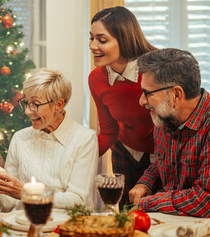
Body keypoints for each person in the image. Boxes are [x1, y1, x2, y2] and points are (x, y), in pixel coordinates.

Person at [0, 68, 99, 211]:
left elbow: (78, 200)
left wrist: (27, 193)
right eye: (26, 103)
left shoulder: (85, 140)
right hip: (23, 225)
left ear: (58, 105)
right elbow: (10, 202)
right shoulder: (20, 138)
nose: (27, 111)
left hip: (66, 228)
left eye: (35, 104)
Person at [88, 6, 157, 207]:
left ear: (125, 39)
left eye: (102, 40)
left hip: (161, 153)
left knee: (158, 216)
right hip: (124, 152)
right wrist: (78, 159)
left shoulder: (157, 69)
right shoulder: (96, 79)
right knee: (127, 215)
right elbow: (109, 132)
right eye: (91, 38)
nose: (92, 45)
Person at [129, 48, 210, 217]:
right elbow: (163, 163)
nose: (141, 101)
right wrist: (146, 183)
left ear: (176, 95)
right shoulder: (164, 117)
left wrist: (147, 202)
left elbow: (205, 200)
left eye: (147, 93)